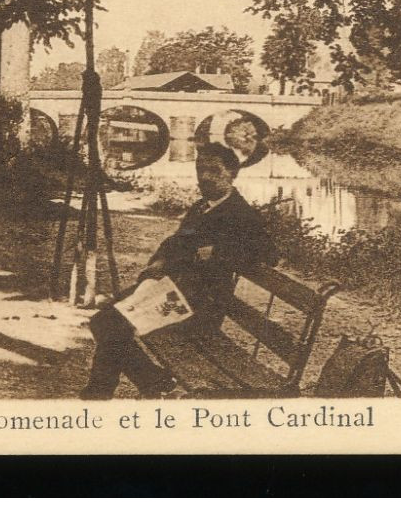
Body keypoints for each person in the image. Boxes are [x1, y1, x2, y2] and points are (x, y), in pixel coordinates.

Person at [80, 142, 277, 399]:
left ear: (232, 174)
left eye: (213, 170)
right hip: (171, 290)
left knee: (108, 324)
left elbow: (269, 254)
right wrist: (159, 261)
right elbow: (175, 242)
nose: (204, 176)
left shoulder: (241, 213)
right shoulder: (201, 206)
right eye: (200, 169)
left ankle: (106, 392)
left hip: (200, 304)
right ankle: (147, 381)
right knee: (105, 320)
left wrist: (218, 252)